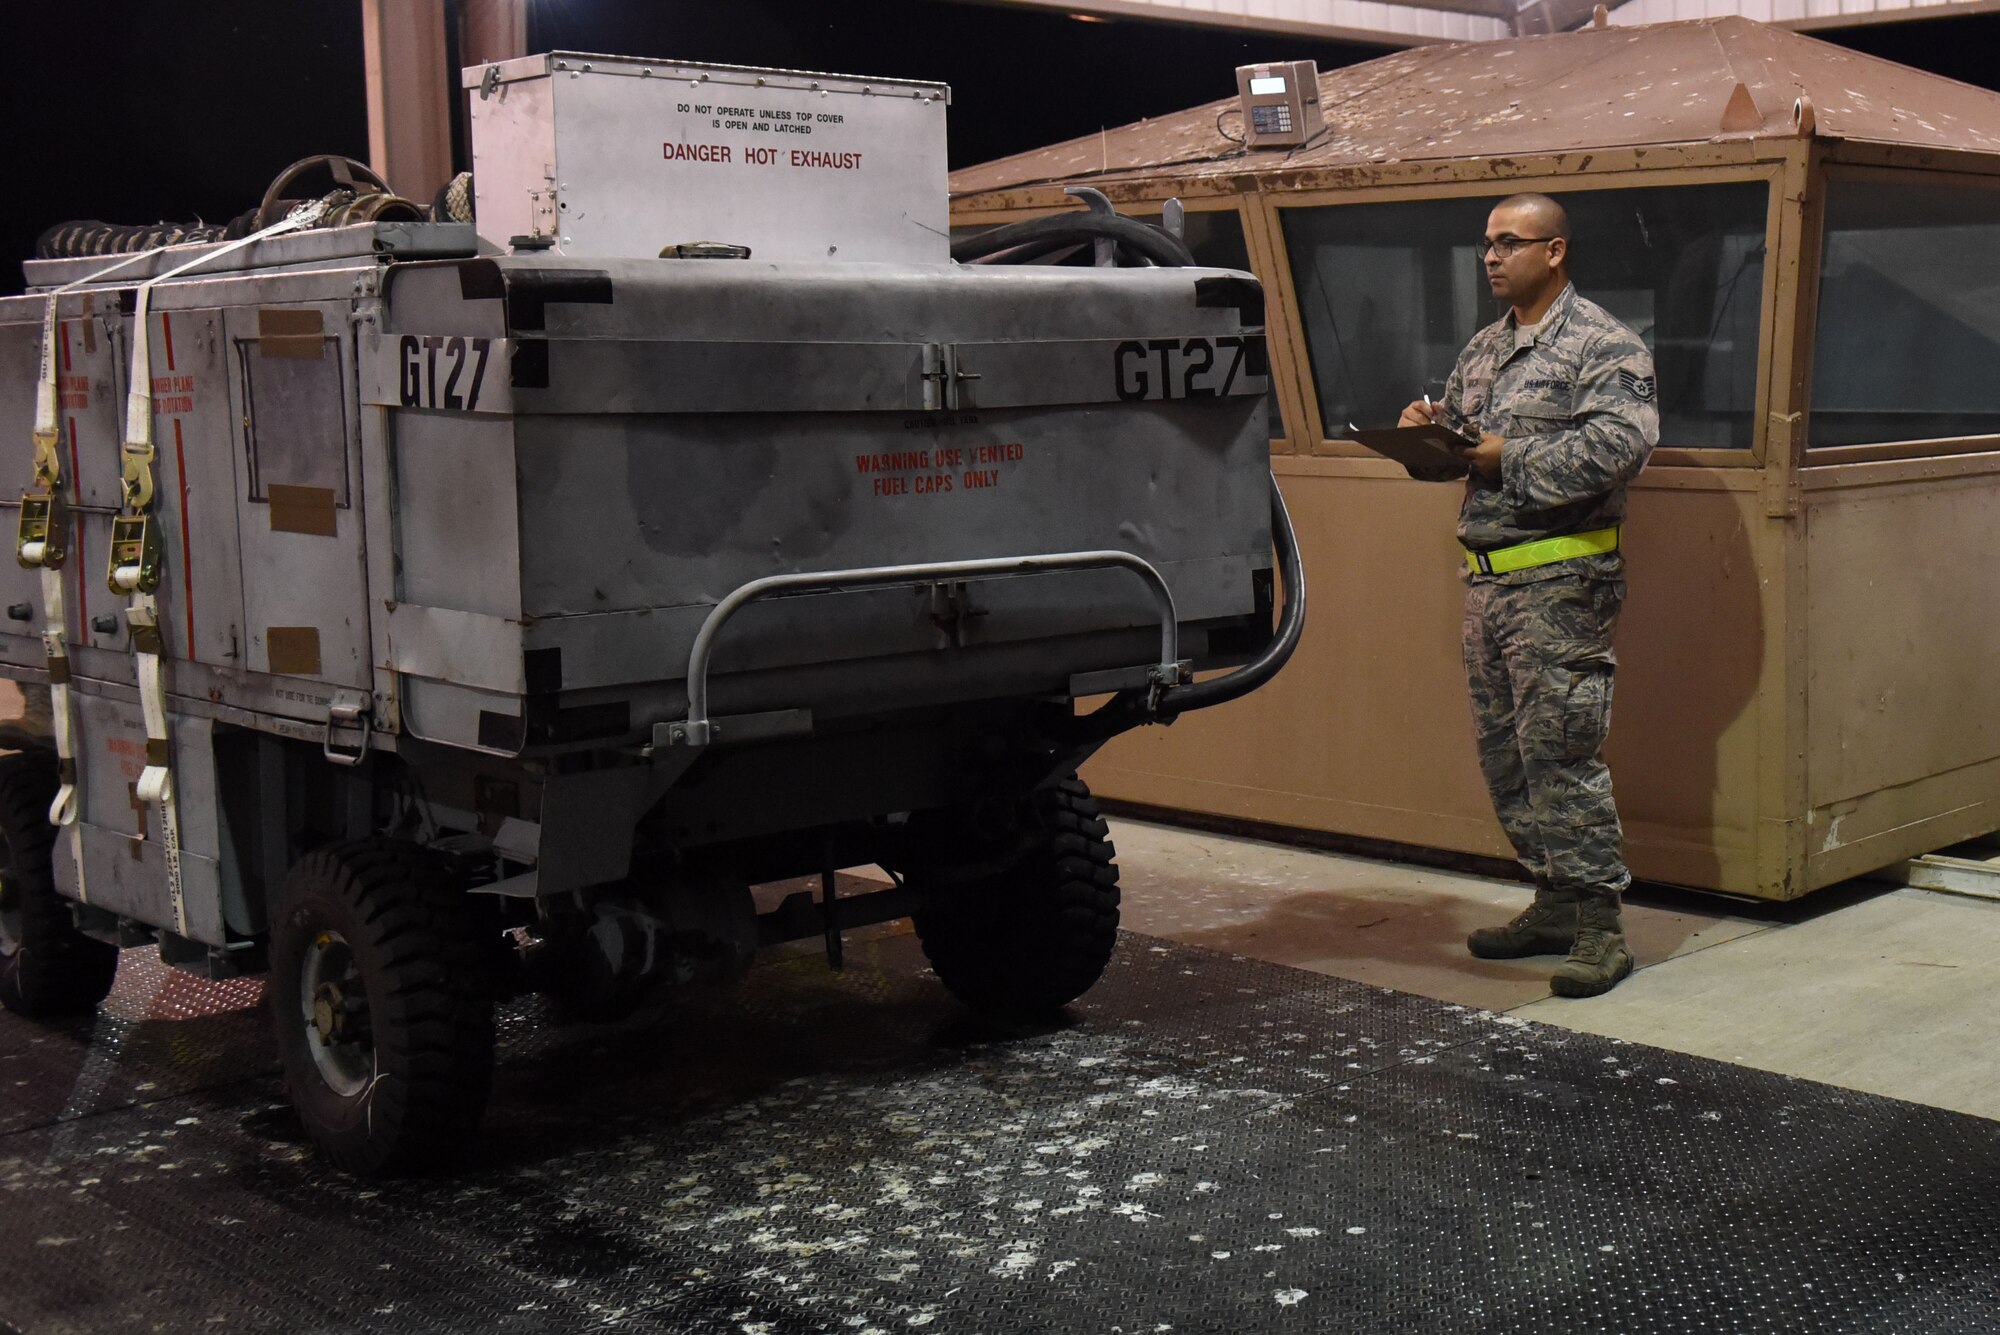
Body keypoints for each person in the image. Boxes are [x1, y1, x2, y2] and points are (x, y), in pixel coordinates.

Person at [1399, 192, 1658, 997]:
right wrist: (1425, 435)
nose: (1490, 256)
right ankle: (1552, 900)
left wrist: (1506, 456)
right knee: (1506, 757)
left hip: (1562, 581)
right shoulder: (1484, 350)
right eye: (1486, 243)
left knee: (1562, 754)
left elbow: (1620, 448)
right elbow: (1460, 451)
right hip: (1490, 584)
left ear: (1555, 251)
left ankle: (1599, 926)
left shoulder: (1605, 345)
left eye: (1509, 242)